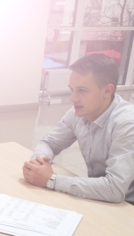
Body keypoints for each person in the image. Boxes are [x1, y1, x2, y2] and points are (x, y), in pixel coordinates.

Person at [23, 53, 134, 204]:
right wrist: (38, 165)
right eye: (72, 90)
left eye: (82, 90)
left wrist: (51, 180)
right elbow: (49, 143)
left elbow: (115, 189)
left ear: (107, 91)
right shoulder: (79, 112)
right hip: (101, 198)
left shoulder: (127, 123)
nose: (73, 98)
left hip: (126, 207)